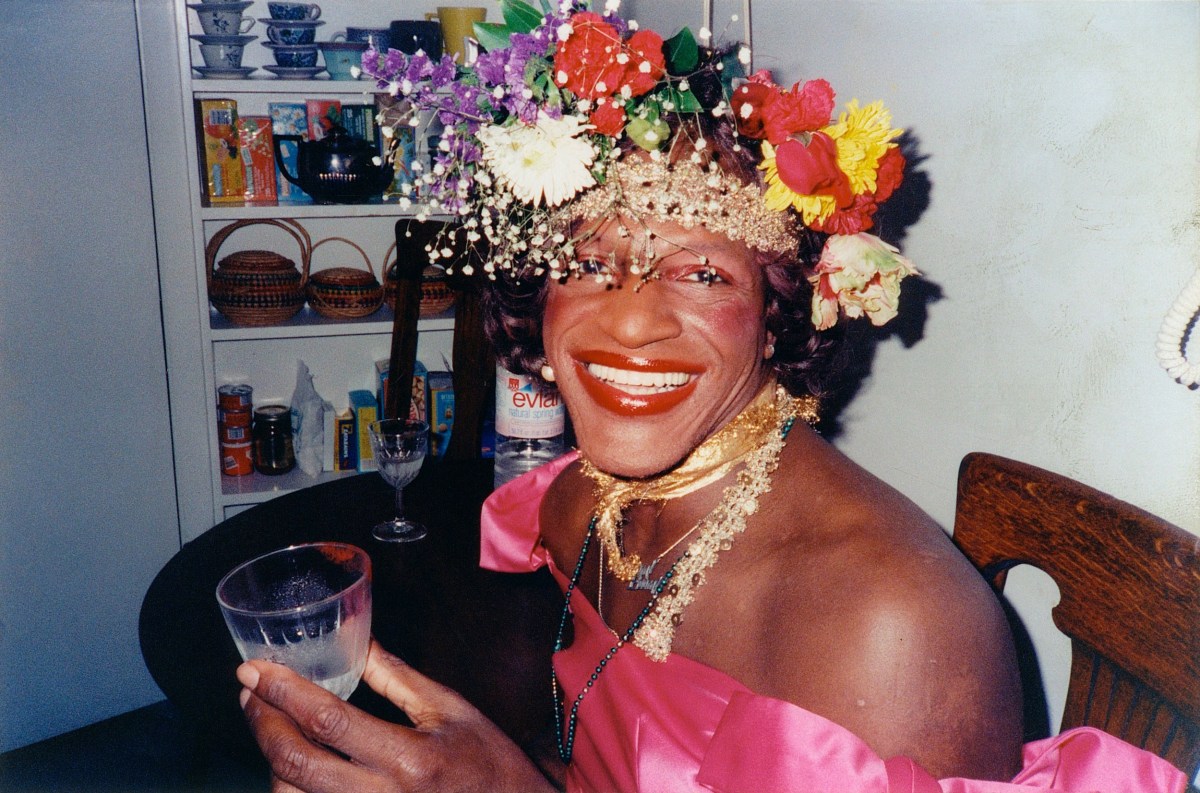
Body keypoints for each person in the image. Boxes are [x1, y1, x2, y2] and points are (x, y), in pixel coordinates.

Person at [236, 4, 1189, 792]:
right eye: (588, 263)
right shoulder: (583, 503)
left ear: (780, 315)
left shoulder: (887, 630)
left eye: (701, 273)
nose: (632, 323)